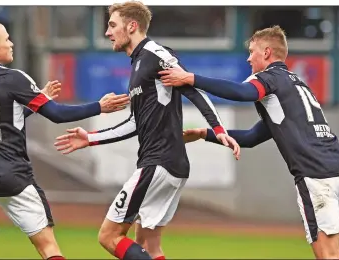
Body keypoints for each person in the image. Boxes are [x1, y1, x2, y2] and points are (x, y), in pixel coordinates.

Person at [53, 2, 240, 260]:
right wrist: (90, 139)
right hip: (167, 163)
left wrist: (217, 128)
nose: (107, 32)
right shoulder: (138, 64)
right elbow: (134, 124)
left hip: (159, 163)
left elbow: (191, 86)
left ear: (132, 26)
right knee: (149, 248)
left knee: (108, 236)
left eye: (112, 25)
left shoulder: (155, 53)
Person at [158, 25, 339, 260]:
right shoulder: (296, 85)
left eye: (252, 51)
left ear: (266, 53)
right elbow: (252, 137)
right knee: (336, 253)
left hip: (316, 173)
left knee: (327, 256)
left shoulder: (270, 78)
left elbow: (244, 93)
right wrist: (205, 133)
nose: (248, 58)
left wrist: (190, 78)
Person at [0, 21, 129, 260]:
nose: (11, 43)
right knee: (48, 247)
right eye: (7, 38)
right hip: (11, 177)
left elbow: (4, 120)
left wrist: (39, 100)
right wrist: (100, 107)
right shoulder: (13, 78)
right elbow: (56, 114)